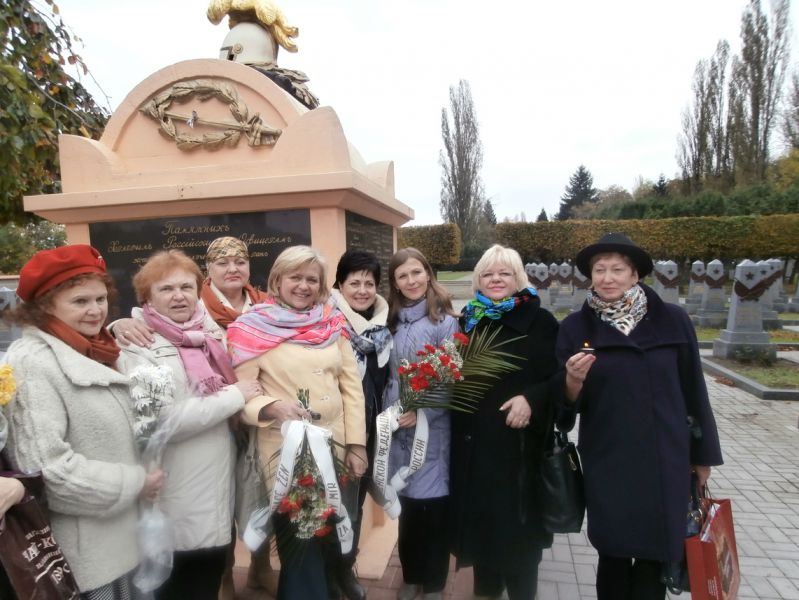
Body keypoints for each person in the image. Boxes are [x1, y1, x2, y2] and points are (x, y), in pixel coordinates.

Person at [557, 233, 723, 600]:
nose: (607, 278)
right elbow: (564, 411)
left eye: (617, 269)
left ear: (635, 275)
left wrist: (703, 456)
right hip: (608, 458)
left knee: (655, 554)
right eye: (600, 270)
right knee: (613, 552)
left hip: (665, 457)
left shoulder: (673, 320)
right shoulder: (575, 329)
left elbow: (694, 390)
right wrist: (571, 382)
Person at [112, 237, 276, 599]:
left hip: (216, 487)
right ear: (147, 297)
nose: (179, 296)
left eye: (186, 287)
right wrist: (235, 395)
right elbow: (162, 422)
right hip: (176, 493)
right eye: (166, 289)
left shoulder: (207, 332)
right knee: (182, 584)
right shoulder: (140, 346)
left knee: (208, 574)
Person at [2, 245, 164, 599]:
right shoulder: (33, 362)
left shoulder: (95, 348)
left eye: (101, 299)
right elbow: (48, 470)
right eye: (80, 301)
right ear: (46, 305)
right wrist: (136, 482)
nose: (95, 310)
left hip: (124, 539)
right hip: (86, 557)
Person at [227, 245, 368, 600]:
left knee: (329, 535)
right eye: (295, 277)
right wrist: (271, 407)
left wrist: (356, 444)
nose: (304, 286)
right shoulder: (250, 327)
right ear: (277, 280)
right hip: (287, 454)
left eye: (312, 279)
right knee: (301, 541)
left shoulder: (333, 322)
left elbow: (352, 389)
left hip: (336, 448)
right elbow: (242, 394)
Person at [449, 244, 559, 600]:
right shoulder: (470, 318)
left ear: (518, 278)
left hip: (517, 449)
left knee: (518, 542)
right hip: (475, 446)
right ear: (478, 280)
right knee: (483, 536)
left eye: (504, 273)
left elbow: (557, 378)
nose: (495, 279)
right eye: (488, 274)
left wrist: (531, 399)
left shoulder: (540, 322)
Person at [385, 247, 458, 600]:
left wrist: (422, 408)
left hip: (432, 430)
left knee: (433, 510)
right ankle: (411, 575)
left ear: (428, 274)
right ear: (395, 283)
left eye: (416, 272)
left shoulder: (445, 322)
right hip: (398, 427)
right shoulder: (390, 321)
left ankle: (434, 582)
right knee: (408, 510)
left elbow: (450, 376)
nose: (411, 280)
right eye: (403, 275)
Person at [328, 250, 393, 600]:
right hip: (338, 432)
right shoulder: (326, 321)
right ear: (340, 284)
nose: (363, 290)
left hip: (372, 431)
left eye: (369, 283)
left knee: (355, 504)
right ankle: (329, 572)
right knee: (334, 504)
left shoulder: (382, 326)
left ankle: (344, 567)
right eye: (354, 282)